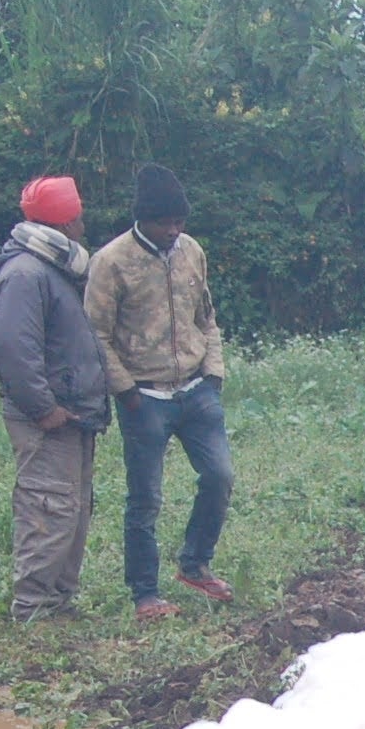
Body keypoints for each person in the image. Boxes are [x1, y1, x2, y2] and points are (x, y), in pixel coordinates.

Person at [86, 162, 234, 621]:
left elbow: (206, 317)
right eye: (165, 222)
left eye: (180, 222)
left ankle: (194, 564)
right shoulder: (110, 262)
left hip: (196, 389)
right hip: (144, 397)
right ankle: (145, 594)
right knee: (145, 498)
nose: (174, 230)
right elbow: (96, 334)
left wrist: (213, 372)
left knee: (220, 477)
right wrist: (126, 390)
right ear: (143, 219)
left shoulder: (192, 251)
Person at [0, 176, 114, 622]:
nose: (83, 221)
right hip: (49, 416)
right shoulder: (26, 273)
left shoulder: (52, 267)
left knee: (72, 510)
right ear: (66, 218)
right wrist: (42, 408)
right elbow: (11, 348)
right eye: (77, 212)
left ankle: (57, 602)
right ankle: (34, 607)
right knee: (47, 505)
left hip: (72, 413)